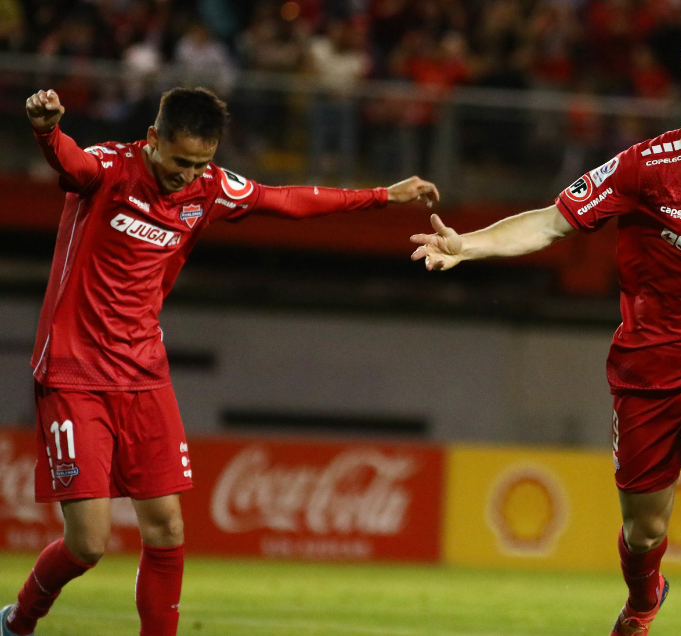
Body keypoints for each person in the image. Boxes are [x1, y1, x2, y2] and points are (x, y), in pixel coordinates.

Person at [411, 27, 681, 636]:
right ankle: (645, 598)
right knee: (644, 532)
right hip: (648, 372)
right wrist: (468, 246)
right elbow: (553, 221)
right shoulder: (645, 167)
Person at [1, 87, 439, 636]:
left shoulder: (209, 188)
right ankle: (18, 620)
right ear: (154, 138)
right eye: (180, 161)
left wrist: (381, 196)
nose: (188, 175)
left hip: (144, 374)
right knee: (88, 543)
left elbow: (288, 200)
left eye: (200, 163)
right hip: (74, 373)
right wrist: (47, 131)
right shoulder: (109, 168)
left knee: (166, 530)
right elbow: (71, 162)